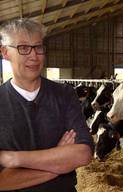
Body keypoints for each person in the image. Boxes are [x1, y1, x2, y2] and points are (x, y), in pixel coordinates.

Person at [0, 18, 94, 191]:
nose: (34, 56)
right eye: (23, 48)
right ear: (5, 52)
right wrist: (59, 163)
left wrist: (14, 159)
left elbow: (83, 154)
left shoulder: (65, 94)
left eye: (38, 47)